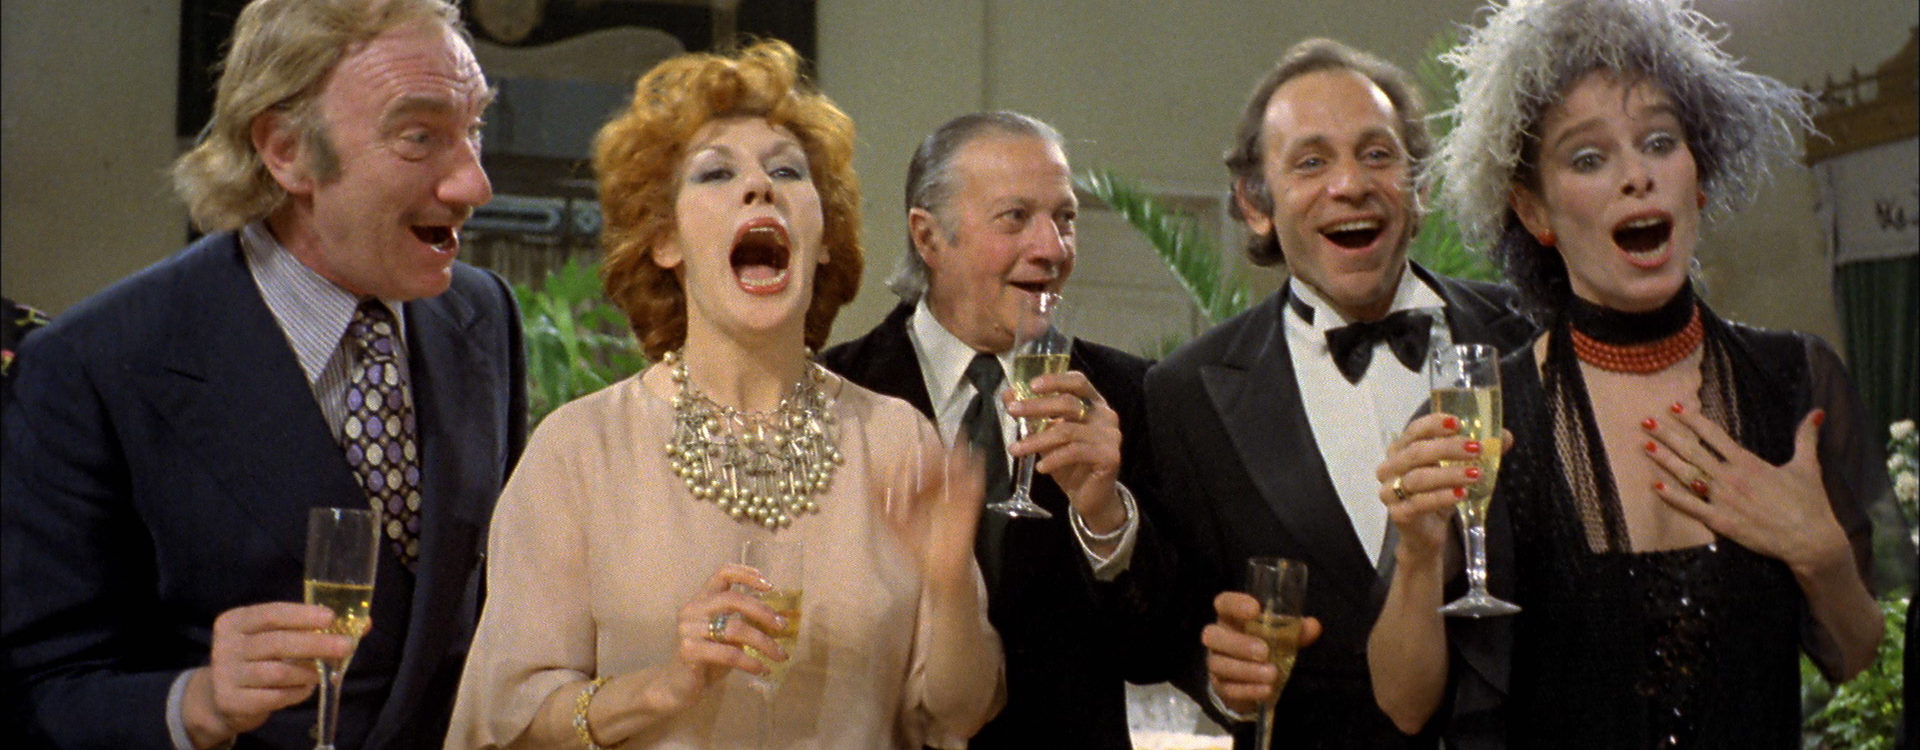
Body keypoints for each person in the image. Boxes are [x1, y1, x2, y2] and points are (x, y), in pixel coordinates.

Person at [444, 40, 1002, 749]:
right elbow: (507, 723)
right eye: (716, 173)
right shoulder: (579, 451)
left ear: (824, 238)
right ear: (665, 240)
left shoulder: (896, 439)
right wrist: (661, 686)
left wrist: (949, 581)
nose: (759, 187)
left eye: (787, 171)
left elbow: (956, 714)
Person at [1368, 1, 1897, 746]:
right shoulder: (1481, 423)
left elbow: (1856, 654)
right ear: (1533, 210)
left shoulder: (1795, 380)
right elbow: (1403, 705)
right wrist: (1421, 558)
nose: (1638, 177)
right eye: (1588, 158)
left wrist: (1822, 555)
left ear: (1698, 177)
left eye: (1659, 142)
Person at [0, 0, 524, 747]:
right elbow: (39, 692)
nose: (473, 185)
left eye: (473, 129)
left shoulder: (483, 316)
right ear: (287, 151)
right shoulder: (92, 365)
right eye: (420, 137)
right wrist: (197, 703)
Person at [1141, 38, 1534, 749]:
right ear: (1255, 204)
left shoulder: (1528, 335)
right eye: (1311, 162)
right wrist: (1219, 675)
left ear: (1419, 186)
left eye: (1377, 154)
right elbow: (1175, 621)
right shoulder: (1185, 394)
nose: (1350, 184)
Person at [820, 111, 1171, 749]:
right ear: (928, 237)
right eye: (1016, 218)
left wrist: (1106, 517)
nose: (1053, 249)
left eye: (1065, 218)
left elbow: (1155, 652)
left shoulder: (1129, 396)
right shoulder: (835, 396)